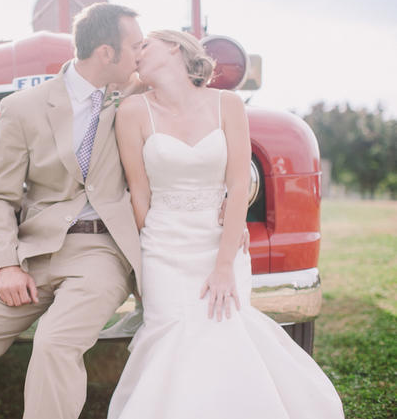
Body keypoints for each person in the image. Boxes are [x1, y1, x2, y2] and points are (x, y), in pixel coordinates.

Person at [107, 30, 345, 419]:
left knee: (225, 326)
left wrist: (222, 266)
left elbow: (238, 183)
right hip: (162, 244)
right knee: (171, 333)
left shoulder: (228, 104)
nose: (135, 55)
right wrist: (142, 258)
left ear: (174, 46)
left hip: (220, 238)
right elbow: (140, 195)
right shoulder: (132, 112)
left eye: (143, 46)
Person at [0, 3, 145, 419]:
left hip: (100, 252)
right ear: (105, 52)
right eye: (135, 45)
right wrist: (6, 264)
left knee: (54, 343)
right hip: (32, 254)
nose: (142, 54)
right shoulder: (23, 107)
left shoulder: (135, 95)